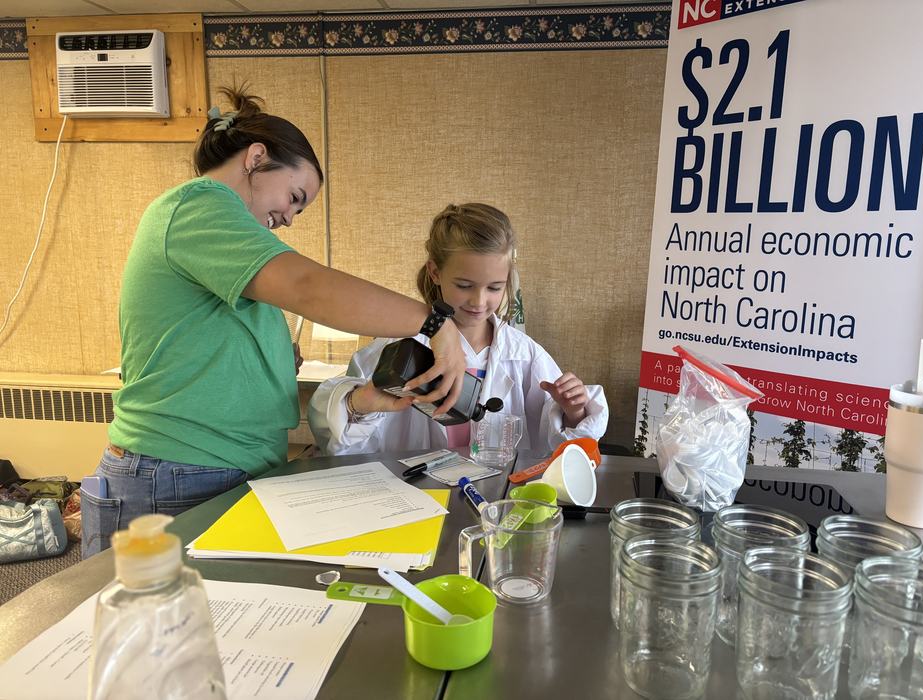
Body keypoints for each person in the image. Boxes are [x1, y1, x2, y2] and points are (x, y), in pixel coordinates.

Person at [82, 86, 466, 557]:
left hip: (217, 464)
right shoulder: (198, 206)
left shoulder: (230, 246)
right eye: (295, 196)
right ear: (256, 158)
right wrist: (436, 323)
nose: (288, 217)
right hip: (178, 467)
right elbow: (307, 287)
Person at [309, 203, 609, 457]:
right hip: (415, 498)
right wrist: (358, 402)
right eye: (464, 286)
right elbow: (335, 439)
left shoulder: (524, 355)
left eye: (494, 287)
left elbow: (562, 448)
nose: (479, 301)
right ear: (435, 272)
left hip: (495, 505)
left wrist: (574, 410)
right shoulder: (396, 347)